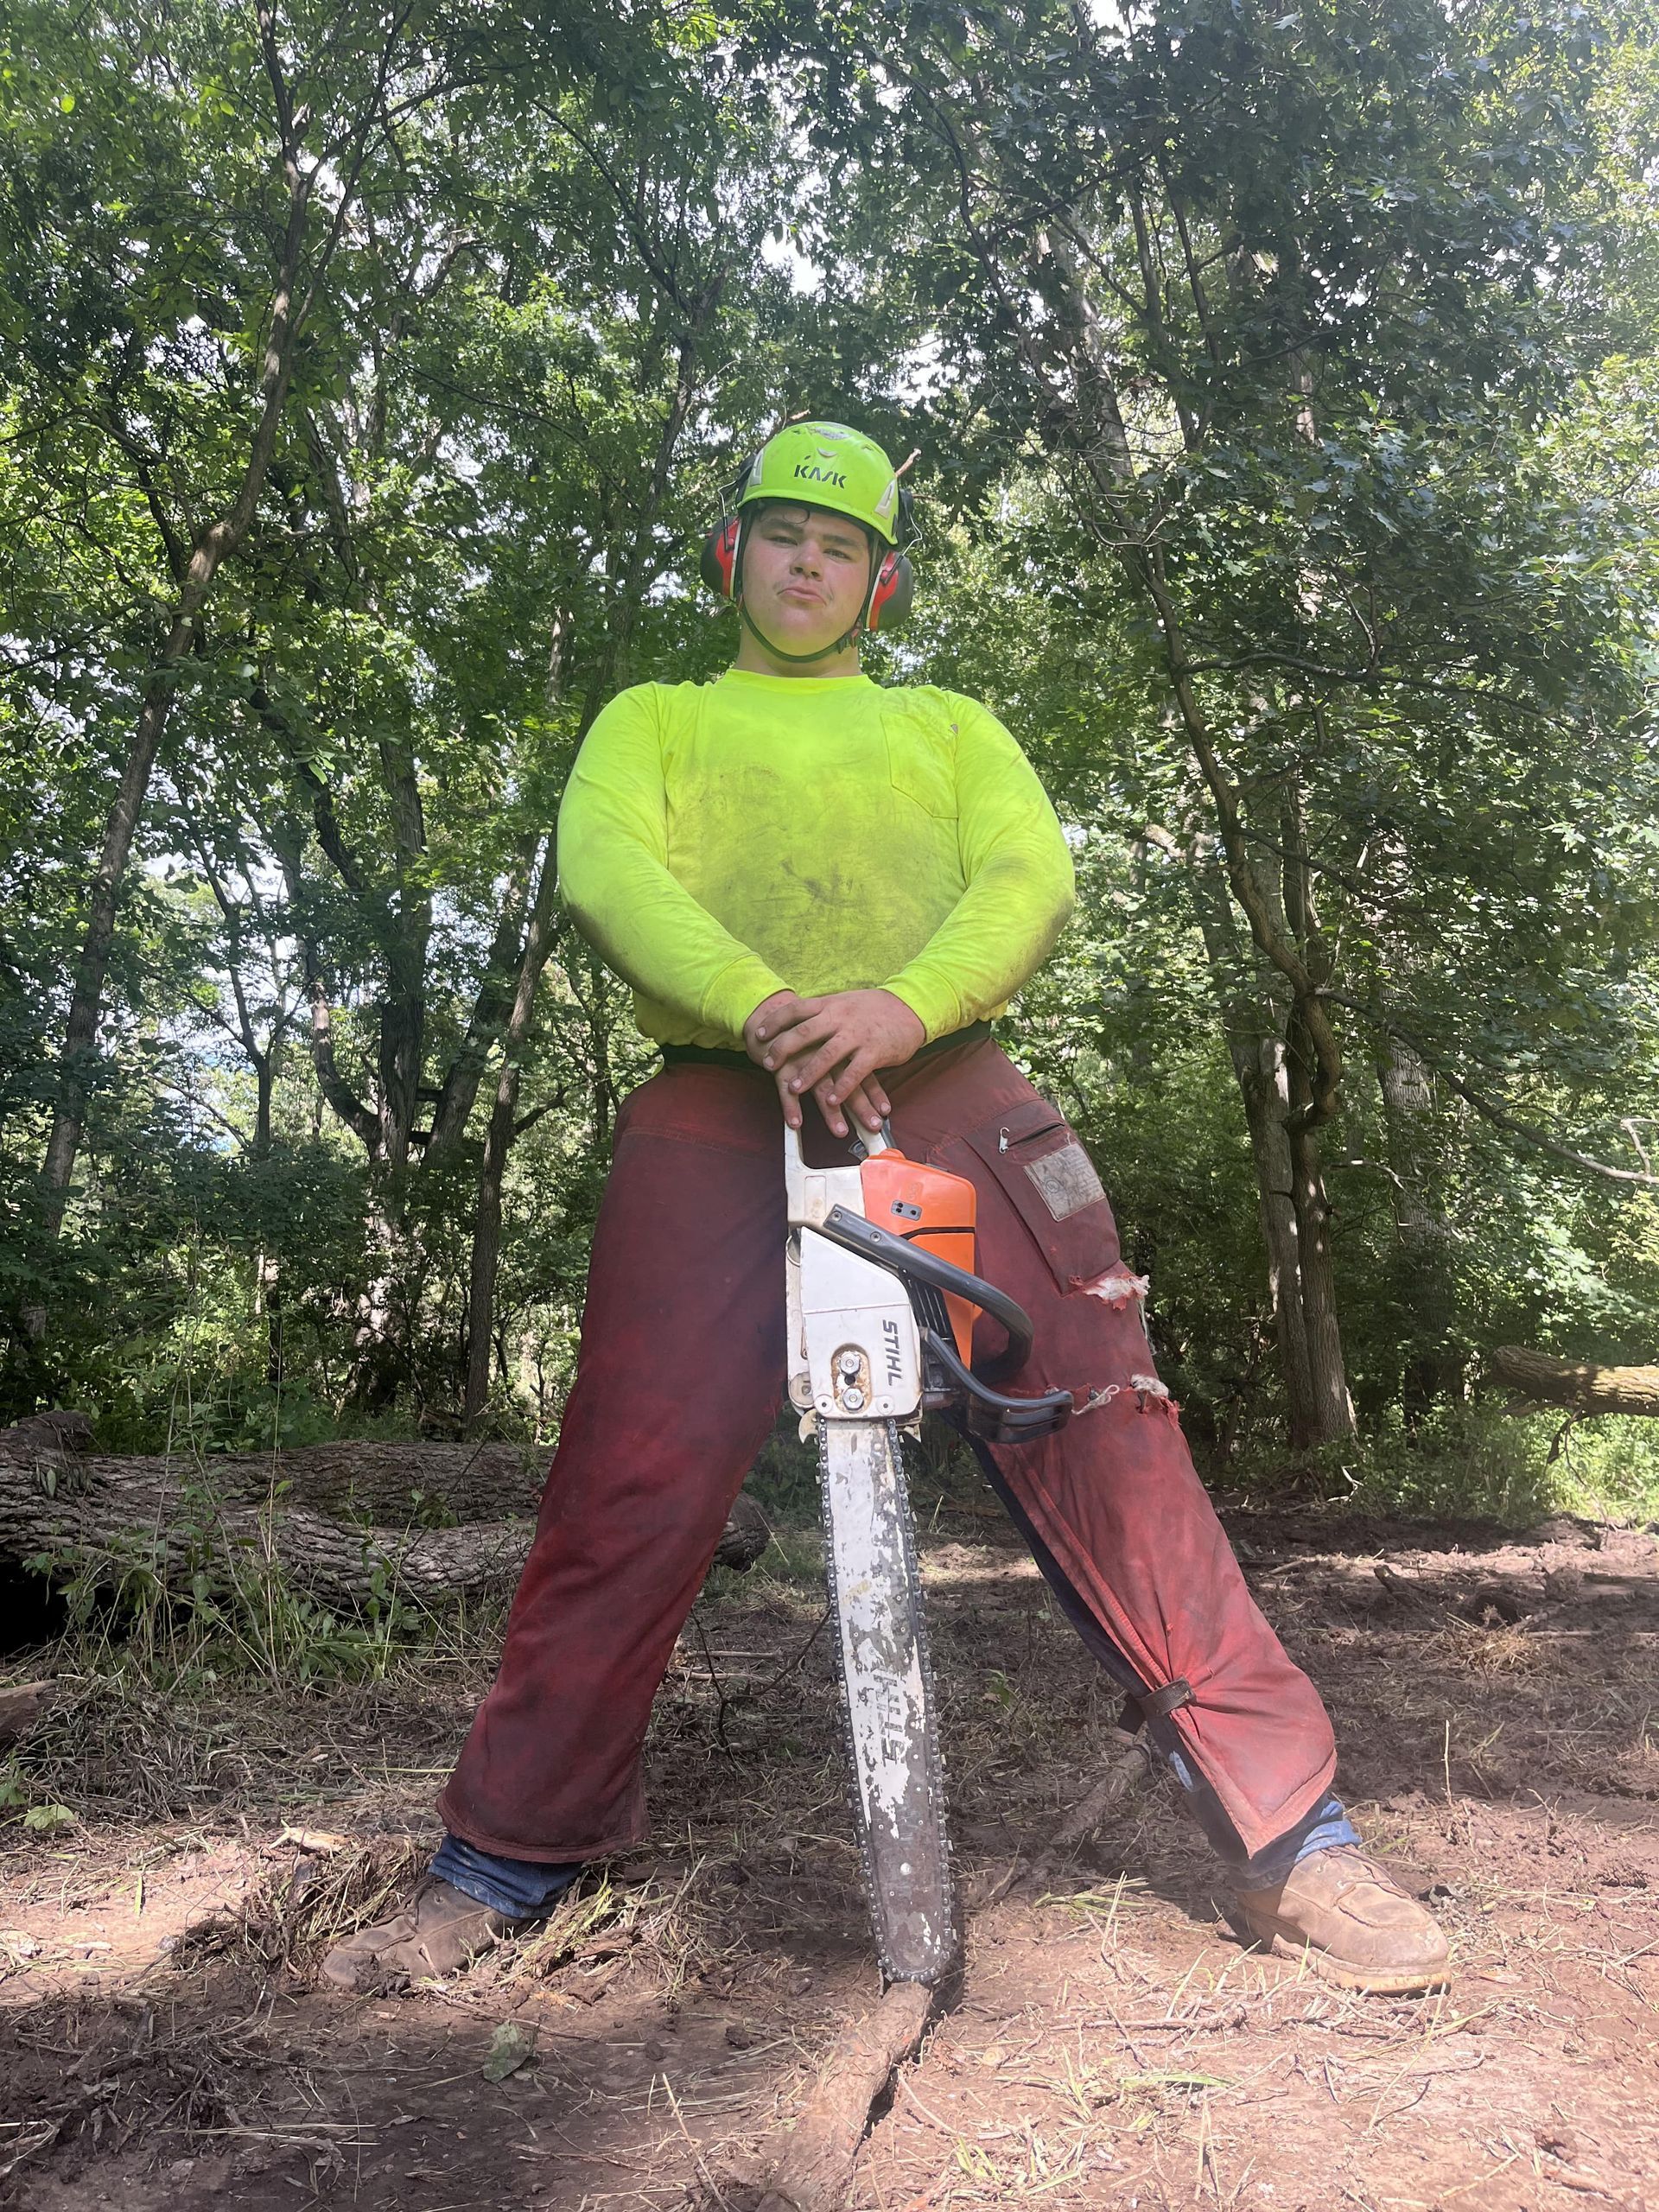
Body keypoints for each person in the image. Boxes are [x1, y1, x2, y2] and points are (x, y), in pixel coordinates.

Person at [323, 421, 1447, 1998]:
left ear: (881, 579)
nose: (806, 563)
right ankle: (502, 1854)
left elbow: (1025, 876)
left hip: (954, 1086)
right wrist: (769, 1005)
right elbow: (608, 873)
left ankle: (1294, 1838)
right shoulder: (653, 719)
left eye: (840, 546)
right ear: (734, 555)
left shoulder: (945, 725)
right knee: (627, 1470)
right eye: (782, 534)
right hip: (716, 1094)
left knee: (1106, 1421)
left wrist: (901, 1007)